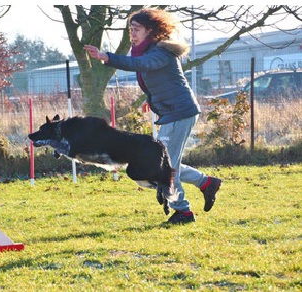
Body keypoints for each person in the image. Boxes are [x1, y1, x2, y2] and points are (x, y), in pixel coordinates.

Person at [83, 8, 222, 224]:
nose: (133, 34)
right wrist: (152, 100)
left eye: (136, 29)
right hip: (172, 113)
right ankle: (206, 183)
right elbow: (158, 80)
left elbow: (141, 65)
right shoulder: (149, 51)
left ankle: (183, 212)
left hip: (179, 113)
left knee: (164, 167)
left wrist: (106, 57)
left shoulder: (160, 52)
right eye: (130, 29)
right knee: (167, 163)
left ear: (150, 30)